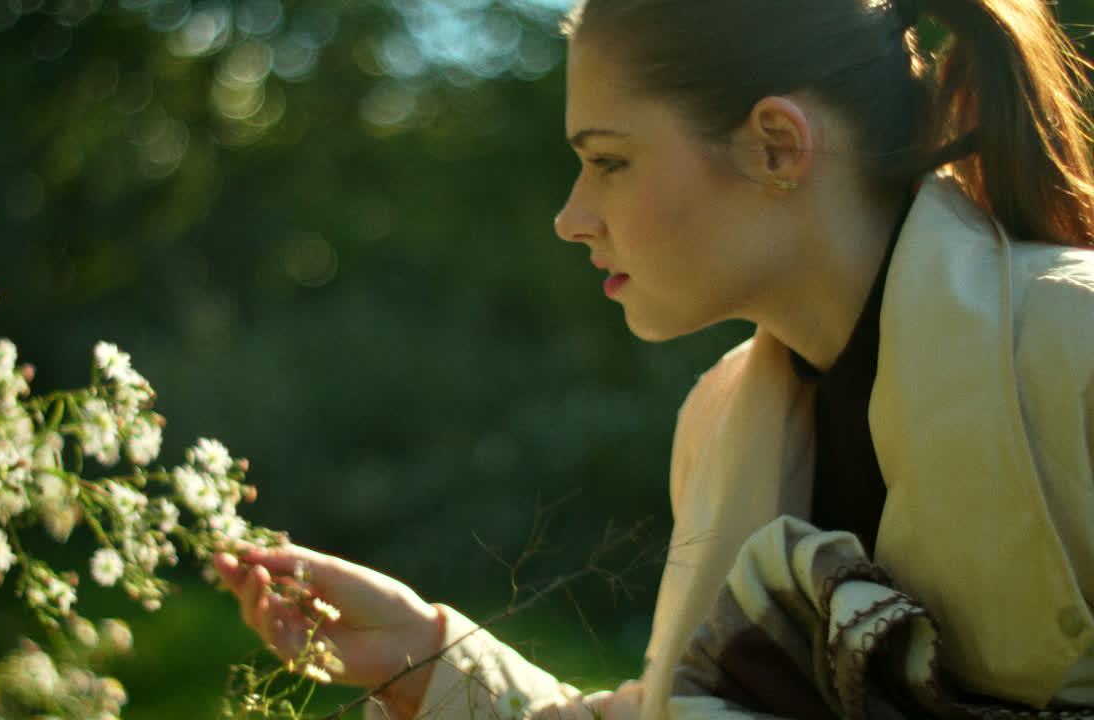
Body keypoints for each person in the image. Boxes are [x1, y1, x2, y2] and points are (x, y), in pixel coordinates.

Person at [214, 0, 1094, 716]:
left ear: (776, 146)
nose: (570, 216)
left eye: (609, 161)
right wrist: (427, 657)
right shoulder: (718, 425)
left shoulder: (1074, 343)